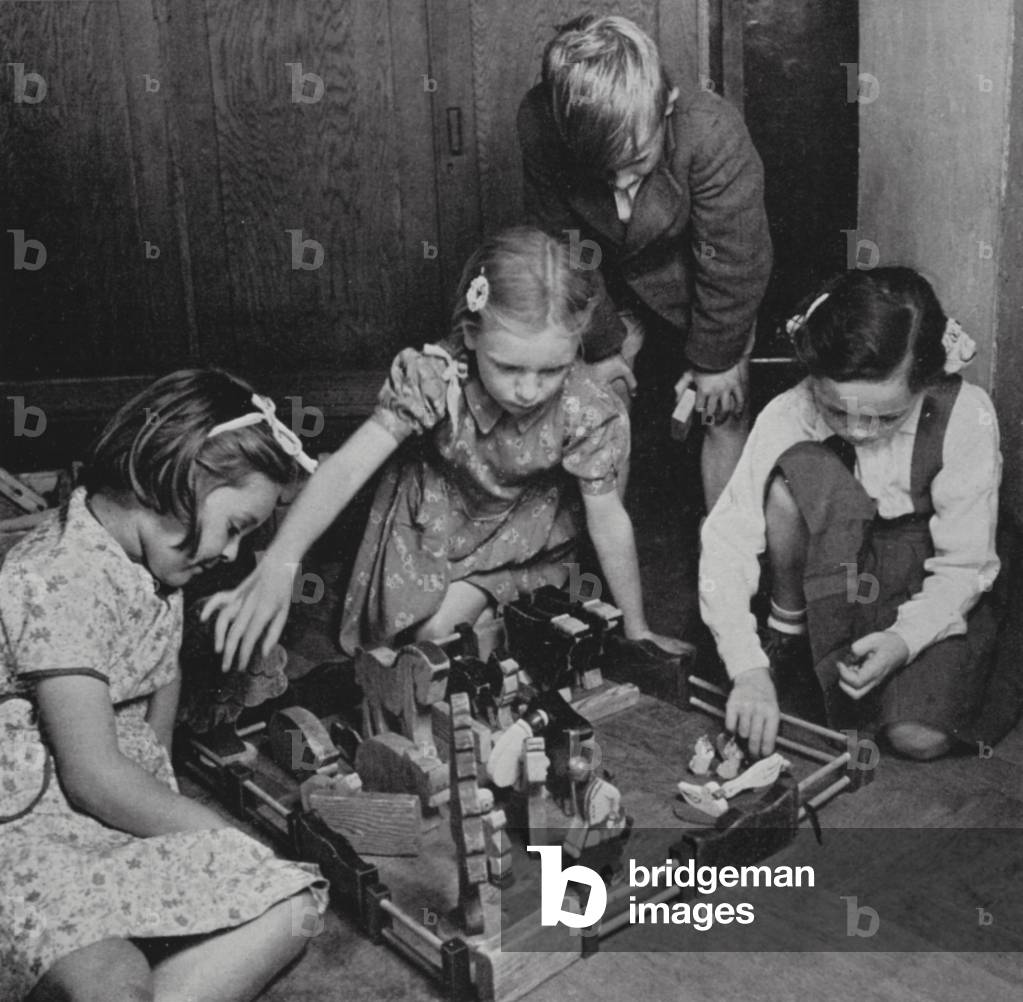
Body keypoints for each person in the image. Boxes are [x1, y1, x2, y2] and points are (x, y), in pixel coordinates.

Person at [204, 227, 685, 670]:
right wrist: (280, 560)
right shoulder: (437, 378)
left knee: (440, 639)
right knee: (406, 647)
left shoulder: (586, 408)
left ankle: (498, 619)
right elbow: (349, 468)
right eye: (509, 368)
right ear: (472, 336)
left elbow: (608, 519)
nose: (529, 391)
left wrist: (636, 629)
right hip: (438, 523)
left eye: (552, 370)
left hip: (520, 539)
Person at [0, 369, 329, 1002]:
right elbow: (92, 776)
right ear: (183, 477)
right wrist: (215, 835)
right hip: (30, 831)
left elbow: (161, 687)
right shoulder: (57, 576)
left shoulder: (153, 568)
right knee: (113, 978)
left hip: (113, 816)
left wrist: (166, 819)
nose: (233, 554)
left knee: (296, 904)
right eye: (235, 526)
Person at [700, 267, 1004, 761]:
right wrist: (746, 667)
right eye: (838, 411)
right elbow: (728, 538)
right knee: (786, 482)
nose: (860, 431)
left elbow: (964, 565)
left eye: (886, 416)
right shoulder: (790, 409)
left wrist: (904, 640)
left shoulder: (968, 414)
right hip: (843, 557)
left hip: (930, 569)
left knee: (916, 737)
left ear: (926, 379)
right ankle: (789, 633)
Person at [517, 13, 772, 507]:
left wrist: (717, 360)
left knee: (724, 404)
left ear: (668, 107)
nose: (620, 189)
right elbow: (565, 247)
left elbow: (736, 263)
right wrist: (603, 344)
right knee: (597, 405)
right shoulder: (540, 121)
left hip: (703, 282)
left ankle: (725, 554)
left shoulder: (714, 131)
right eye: (603, 172)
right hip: (603, 283)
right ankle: (593, 558)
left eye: (636, 164)